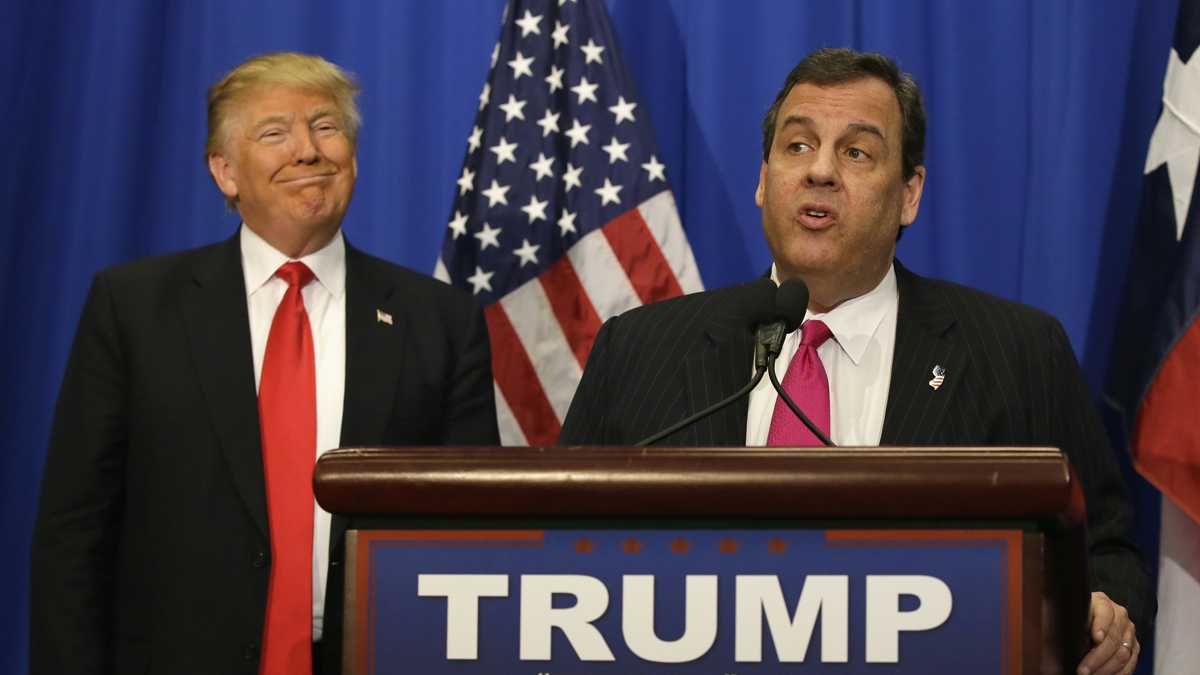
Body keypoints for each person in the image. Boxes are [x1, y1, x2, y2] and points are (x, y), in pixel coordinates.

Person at [559, 48, 1151, 675]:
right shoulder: (640, 350)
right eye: (797, 146)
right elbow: (557, 549)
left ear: (909, 195)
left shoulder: (1018, 352)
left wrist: (1108, 605)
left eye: (856, 152)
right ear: (763, 180)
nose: (820, 171)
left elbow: (1107, 550)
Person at [30, 52, 499, 675]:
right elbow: (74, 530)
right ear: (225, 172)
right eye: (275, 133)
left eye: (326, 127)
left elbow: (473, 532)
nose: (307, 150)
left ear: (353, 157)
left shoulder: (440, 320)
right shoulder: (135, 308)